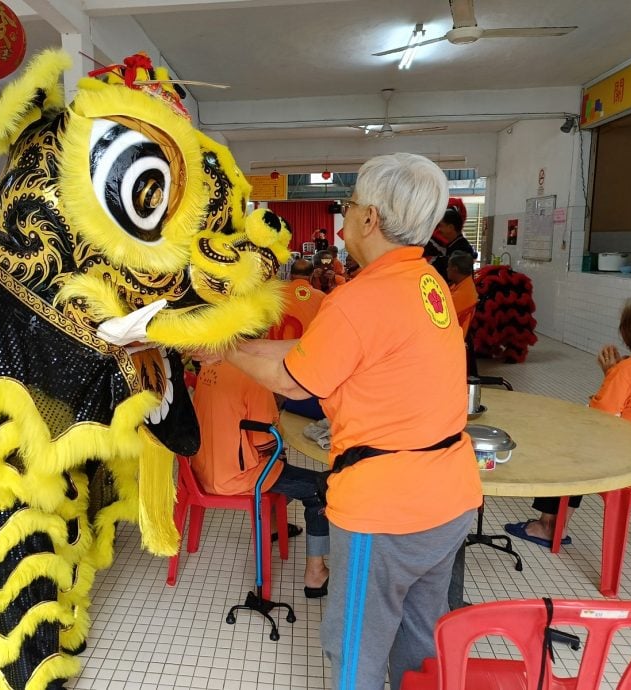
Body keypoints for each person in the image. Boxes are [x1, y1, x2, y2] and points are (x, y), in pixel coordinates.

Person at [210, 153, 482, 689]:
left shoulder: (361, 298)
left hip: (385, 511)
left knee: (355, 646)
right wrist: (236, 347)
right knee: (420, 641)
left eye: (349, 204)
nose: (342, 216)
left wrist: (223, 349)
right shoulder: (426, 285)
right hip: (449, 498)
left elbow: (295, 380)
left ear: (370, 219)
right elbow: (319, 351)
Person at [505, 290, 631, 547]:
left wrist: (612, 376)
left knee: (570, 448)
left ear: (630, 330)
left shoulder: (628, 370)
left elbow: (599, 420)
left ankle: (548, 526)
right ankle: (553, 524)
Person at [190, 361, 330, 597]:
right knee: (320, 487)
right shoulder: (253, 375)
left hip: (202, 470)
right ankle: (316, 574)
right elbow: (265, 443)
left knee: (283, 470)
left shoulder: (210, 364)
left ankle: (273, 526)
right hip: (237, 476)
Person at [424, 199, 476, 281]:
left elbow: (454, 276)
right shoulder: (454, 245)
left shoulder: (461, 249)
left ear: (450, 227)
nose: (439, 229)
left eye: (441, 226)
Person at [446, 251, 478, 336]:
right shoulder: (459, 284)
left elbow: (441, 312)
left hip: (453, 337)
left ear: (455, 268)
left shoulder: (464, 293)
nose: (447, 269)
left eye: (449, 266)